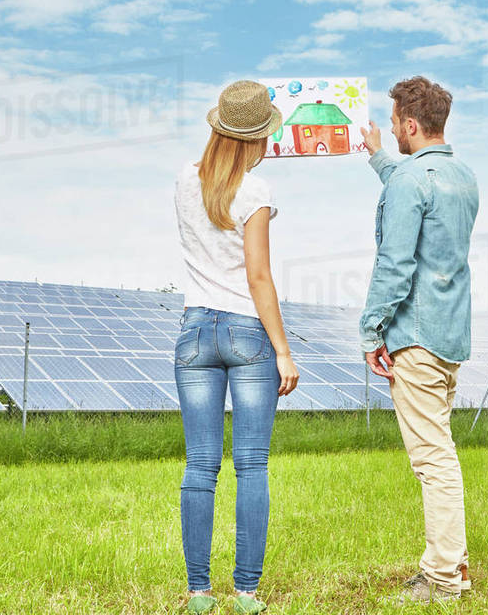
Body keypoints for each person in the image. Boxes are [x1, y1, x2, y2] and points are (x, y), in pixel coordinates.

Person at [173, 80, 300, 614]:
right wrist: (284, 351)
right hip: (247, 333)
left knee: (200, 465)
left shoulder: (184, 181)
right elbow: (258, 276)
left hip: (194, 330)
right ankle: (246, 593)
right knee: (252, 465)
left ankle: (199, 593)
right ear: (256, 139)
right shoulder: (256, 191)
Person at [358, 76, 480, 604]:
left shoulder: (412, 181)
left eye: (393, 126)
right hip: (450, 336)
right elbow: (412, 187)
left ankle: (444, 578)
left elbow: (396, 264)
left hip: (416, 337)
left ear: (410, 124)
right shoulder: (462, 177)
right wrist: (378, 157)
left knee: (433, 460)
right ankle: (454, 564)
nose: (392, 132)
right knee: (440, 451)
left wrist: (370, 330)